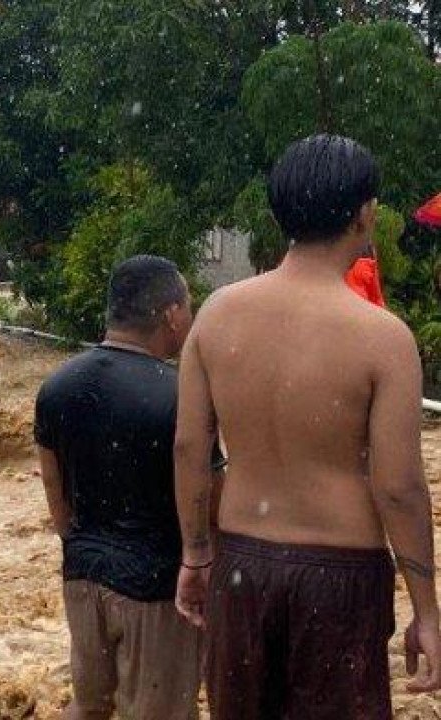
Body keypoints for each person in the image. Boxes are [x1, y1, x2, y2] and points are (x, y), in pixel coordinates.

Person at [174, 134, 441, 717]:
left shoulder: (217, 314)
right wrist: (427, 611)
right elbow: (399, 487)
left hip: (242, 566)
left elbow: (190, 447)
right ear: (365, 213)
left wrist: (195, 557)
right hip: (339, 577)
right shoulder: (382, 338)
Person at [35, 255, 218, 719]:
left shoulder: (56, 386)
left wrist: (83, 545)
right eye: (189, 306)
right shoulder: (181, 395)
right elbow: (210, 495)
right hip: (157, 589)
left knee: (90, 705)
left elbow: (56, 494)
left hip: (82, 574)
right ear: (172, 315)